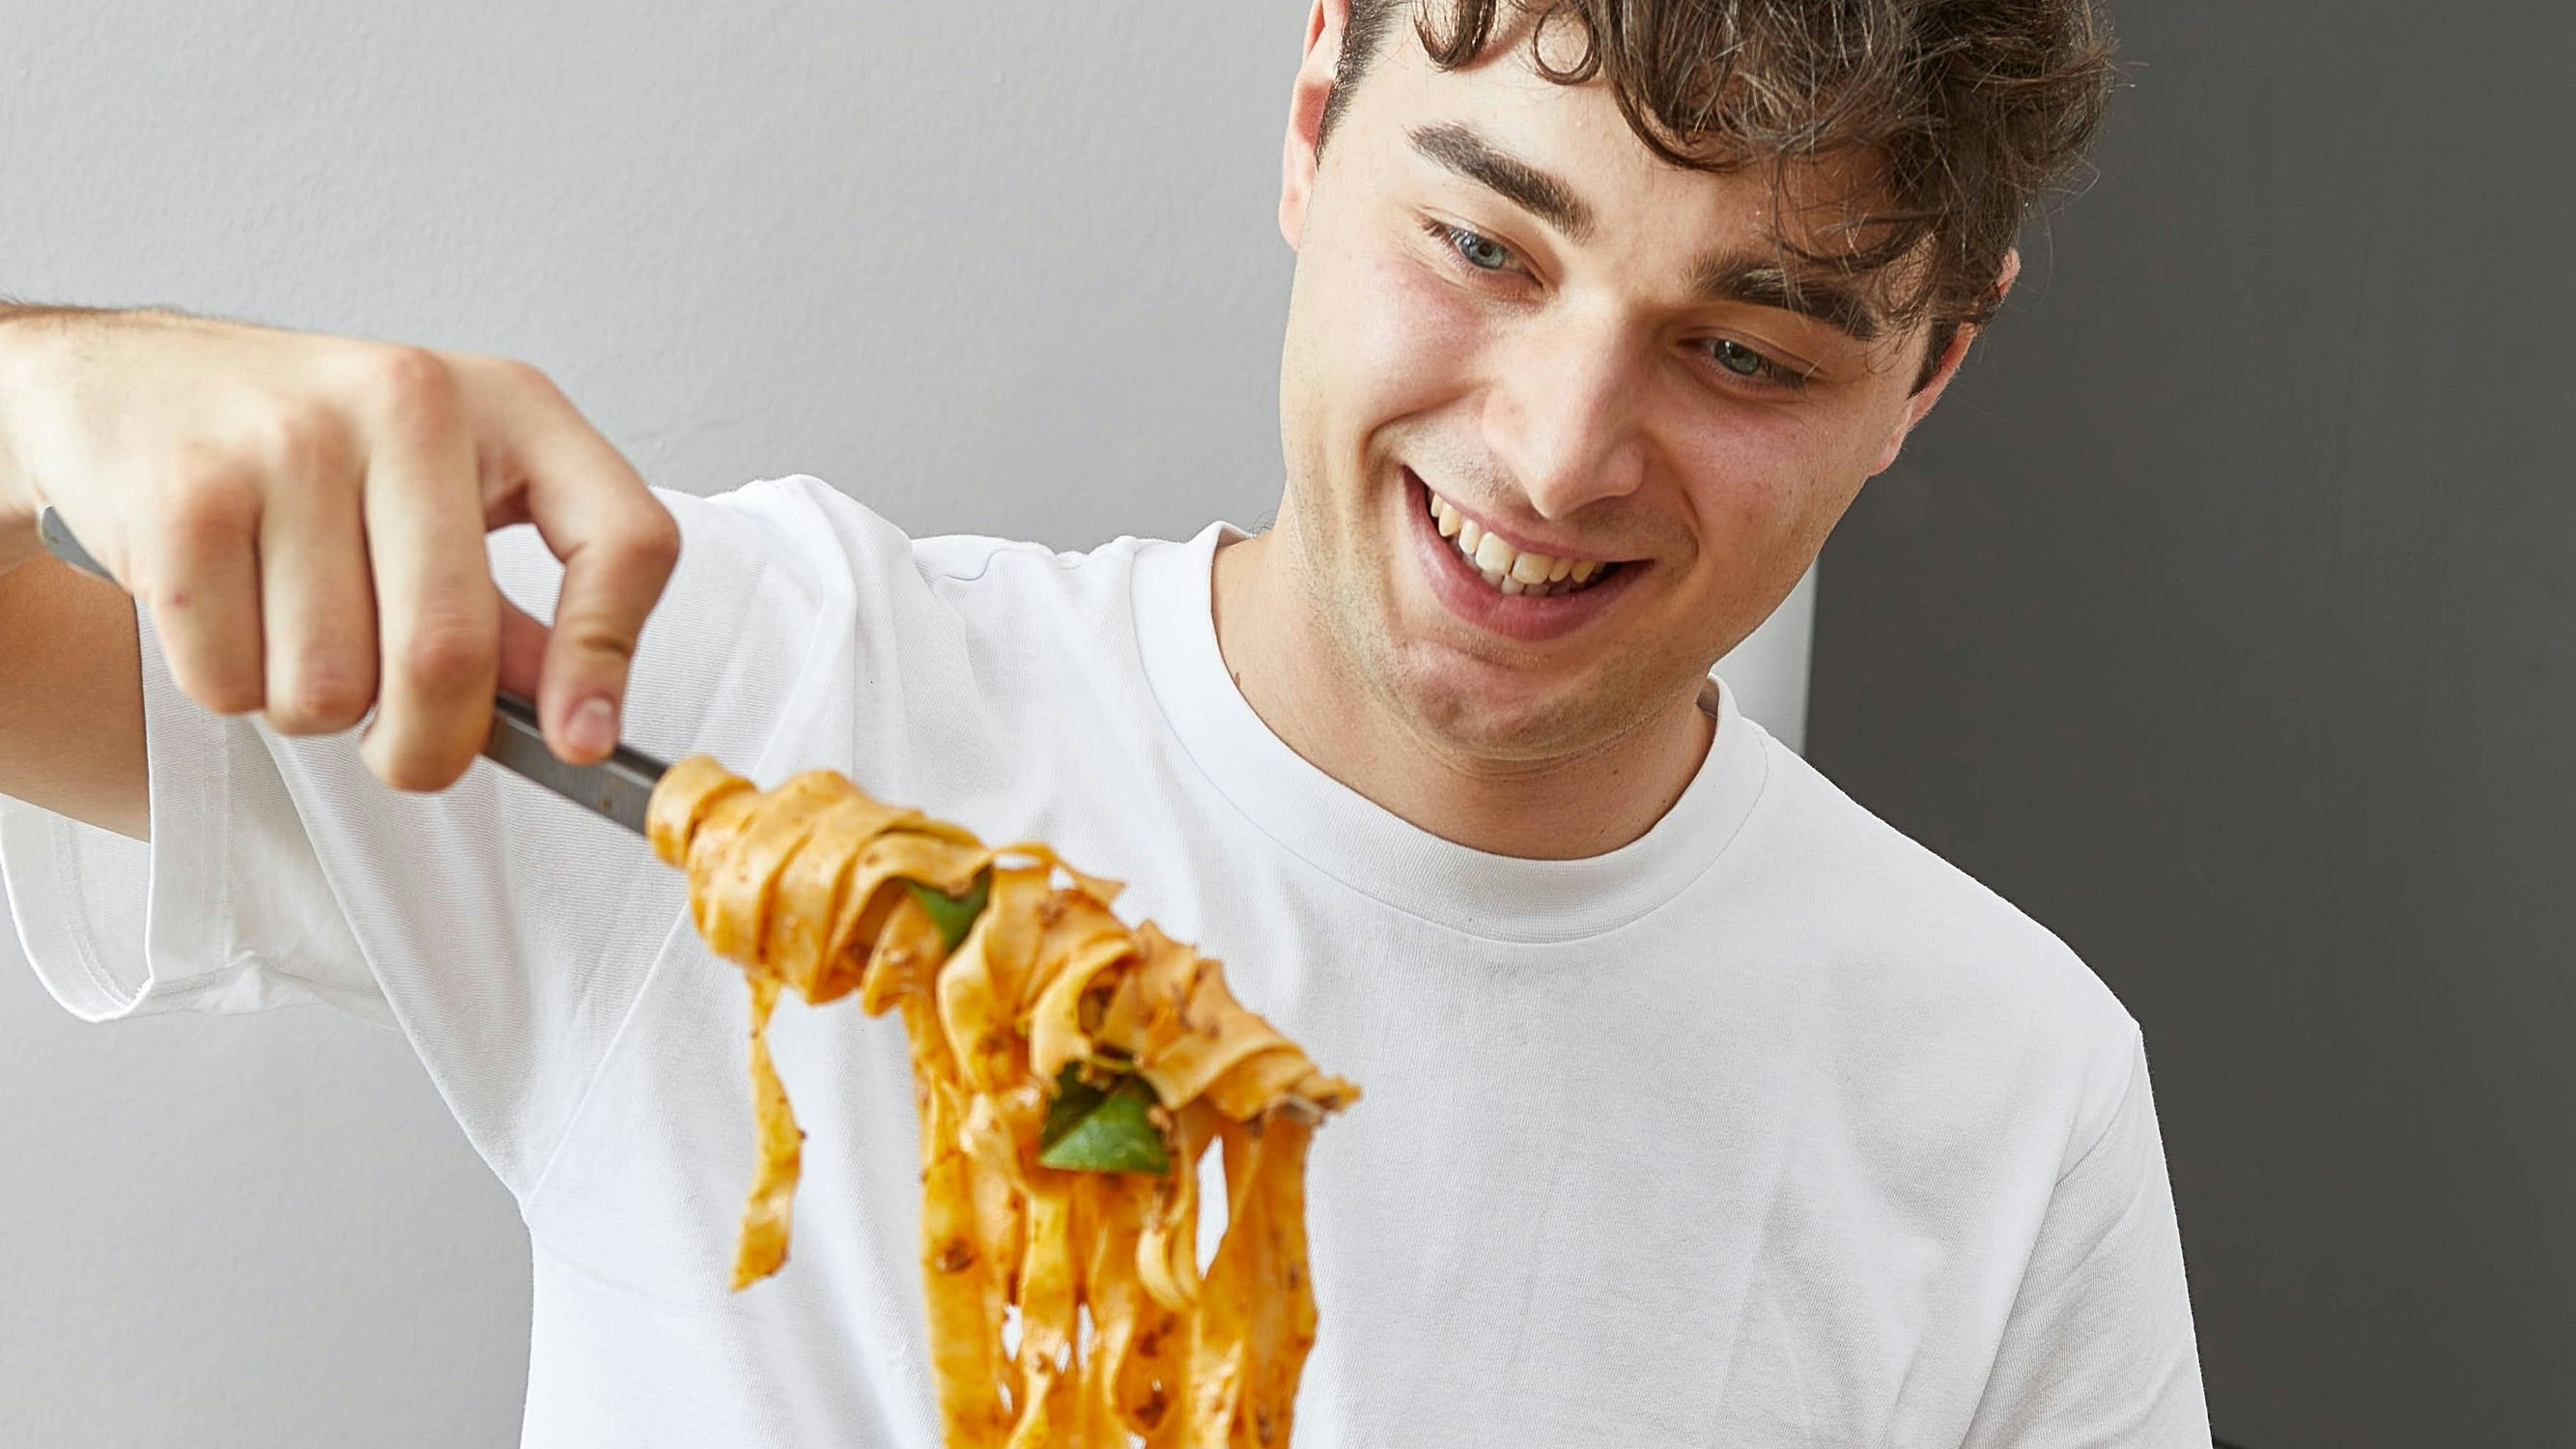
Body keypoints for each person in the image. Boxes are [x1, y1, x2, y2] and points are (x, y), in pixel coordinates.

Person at [0, 0, 2207, 1443]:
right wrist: (51, 380)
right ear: (1312, 106)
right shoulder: (725, 689)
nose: (1552, 458)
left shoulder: (2004, 1095)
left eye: (1750, 351)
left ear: (1930, 373)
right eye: (1483, 242)